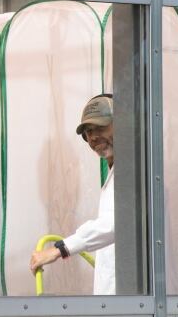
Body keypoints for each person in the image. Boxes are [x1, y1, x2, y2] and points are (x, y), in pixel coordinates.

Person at [28, 94, 116, 295]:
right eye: (88, 132)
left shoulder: (134, 170)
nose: (93, 137)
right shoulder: (116, 172)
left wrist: (58, 249)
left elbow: (114, 224)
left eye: (100, 127)